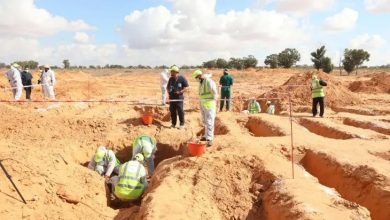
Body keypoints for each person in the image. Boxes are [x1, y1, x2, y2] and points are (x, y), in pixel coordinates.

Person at [192, 69, 218, 147]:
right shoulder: (201, 83)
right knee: (205, 121)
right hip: (203, 104)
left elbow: (214, 92)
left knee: (210, 121)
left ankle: (210, 139)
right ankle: (206, 136)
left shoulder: (208, 81)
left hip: (209, 104)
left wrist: (214, 99)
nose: (196, 79)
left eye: (196, 77)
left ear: (199, 76)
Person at [166, 65, 189, 129]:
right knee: (172, 111)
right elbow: (167, 87)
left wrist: (180, 92)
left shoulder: (182, 78)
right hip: (172, 98)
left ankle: (182, 124)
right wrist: (168, 90)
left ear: (176, 72)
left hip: (179, 98)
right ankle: (173, 124)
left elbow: (186, 87)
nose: (171, 73)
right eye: (171, 72)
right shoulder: (170, 79)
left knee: (180, 111)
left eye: (172, 72)